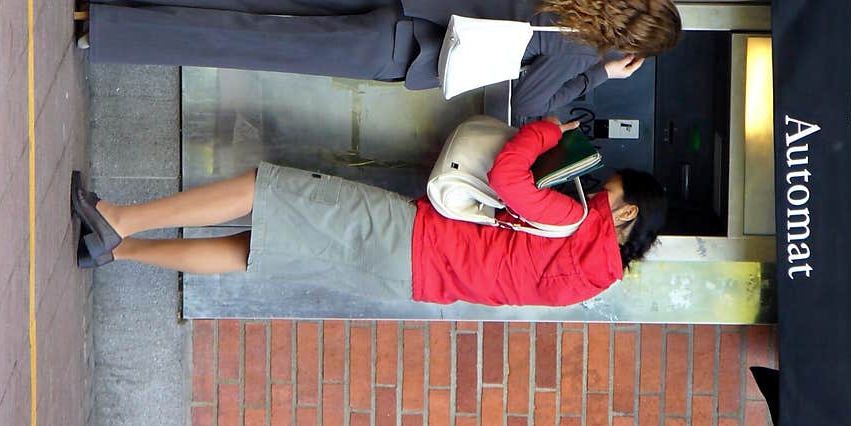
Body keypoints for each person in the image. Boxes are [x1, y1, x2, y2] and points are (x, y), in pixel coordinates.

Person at [79, 0, 682, 122]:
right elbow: (525, 106)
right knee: (253, 43)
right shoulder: (580, 50)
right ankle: (109, 30)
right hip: (407, 48)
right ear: (633, 41)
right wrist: (602, 79)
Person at [71, 117, 668, 307]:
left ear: (626, 214)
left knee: (265, 189)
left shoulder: (575, 221)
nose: (595, 192)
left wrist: (546, 131)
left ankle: (120, 220)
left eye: (608, 191)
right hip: (406, 281)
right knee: (251, 251)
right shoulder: (588, 285)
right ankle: (117, 251)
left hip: (406, 237)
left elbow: (511, 178)